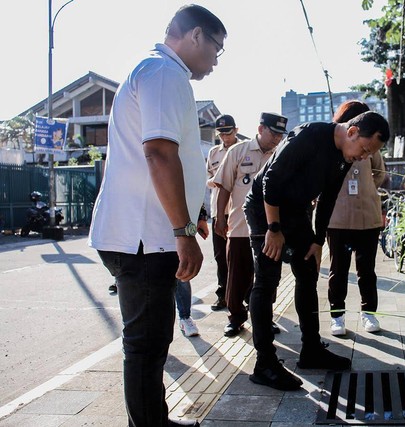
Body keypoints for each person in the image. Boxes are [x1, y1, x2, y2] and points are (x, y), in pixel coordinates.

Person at [87, 5, 226, 426]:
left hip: (145, 232)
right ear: (195, 36)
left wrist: (194, 213)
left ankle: (150, 422)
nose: (217, 60)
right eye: (217, 48)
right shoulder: (164, 74)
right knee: (146, 347)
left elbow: (174, 156)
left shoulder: (159, 73)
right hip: (145, 237)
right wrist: (182, 231)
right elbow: (159, 153)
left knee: (149, 344)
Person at [243, 111, 390, 391]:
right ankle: (265, 363)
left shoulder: (346, 156)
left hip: (297, 212)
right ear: (352, 132)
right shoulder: (309, 135)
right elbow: (269, 182)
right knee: (267, 281)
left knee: (308, 273)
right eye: (364, 149)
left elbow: (329, 197)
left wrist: (317, 240)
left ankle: (311, 349)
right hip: (266, 210)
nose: (363, 157)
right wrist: (273, 230)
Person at [213, 112, 287, 337]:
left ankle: (264, 318)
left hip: (269, 231)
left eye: (279, 135)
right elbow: (224, 186)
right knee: (237, 276)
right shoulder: (238, 151)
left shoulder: (282, 155)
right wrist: (219, 216)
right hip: (239, 227)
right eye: (273, 133)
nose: (276, 138)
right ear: (260, 128)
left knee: (268, 279)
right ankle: (235, 318)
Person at [326, 101, 386, 336]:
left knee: (367, 270)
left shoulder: (373, 147)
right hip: (338, 219)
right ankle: (337, 316)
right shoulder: (332, 145)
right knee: (337, 271)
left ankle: (368, 312)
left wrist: (367, 189)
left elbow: (379, 174)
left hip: (367, 217)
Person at [206, 114, 240, 311]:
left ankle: (243, 294)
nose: (225, 138)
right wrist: (216, 181)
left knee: (239, 255)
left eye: (228, 133)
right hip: (219, 211)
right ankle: (223, 295)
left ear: (235, 130)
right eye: (221, 134)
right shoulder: (213, 152)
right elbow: (208, 178)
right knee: (220, 257)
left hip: (237, 211)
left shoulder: (244, 149)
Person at [176, 208, 209, 338]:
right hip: (146, 229)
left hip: (176, 228)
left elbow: (191, 189)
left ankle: (185, 318)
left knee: (182, 273)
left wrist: (201, 217)